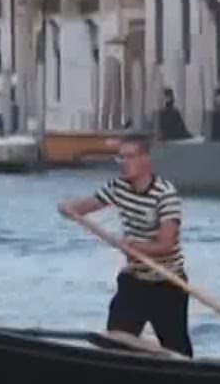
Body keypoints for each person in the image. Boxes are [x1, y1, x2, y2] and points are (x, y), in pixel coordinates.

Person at [57, 135, 194, 356]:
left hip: (168, 282)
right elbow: (84, 206)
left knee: (177, 351)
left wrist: (136, 247)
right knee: (116, 342)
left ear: (145, 159)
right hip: (135, 279)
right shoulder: (118, 187)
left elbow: (166, 245)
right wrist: (67, 207)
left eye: (129, 157)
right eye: (121, 157)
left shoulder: (165, 195)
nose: (124, 163)